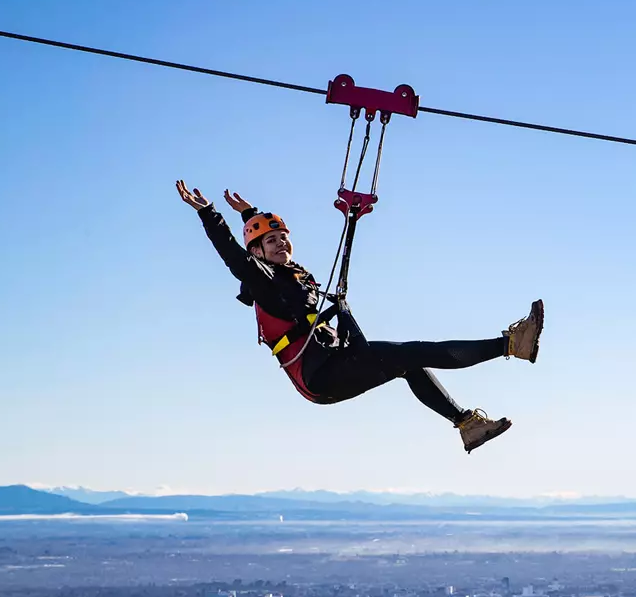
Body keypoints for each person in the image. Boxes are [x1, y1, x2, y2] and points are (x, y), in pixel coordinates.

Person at [176, 180, 544, 453]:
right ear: (257, 252)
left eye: (283, 237)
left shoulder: (289, 275)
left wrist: (250, 214)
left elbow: (258, 245)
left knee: (410, 362)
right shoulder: (263, 280)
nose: (281, 243)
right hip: (322, 375)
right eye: (271, 241)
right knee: (415, 352)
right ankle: (511, 345)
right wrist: (209, 213)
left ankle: (467, 424)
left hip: (332, 363)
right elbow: (235, 256)